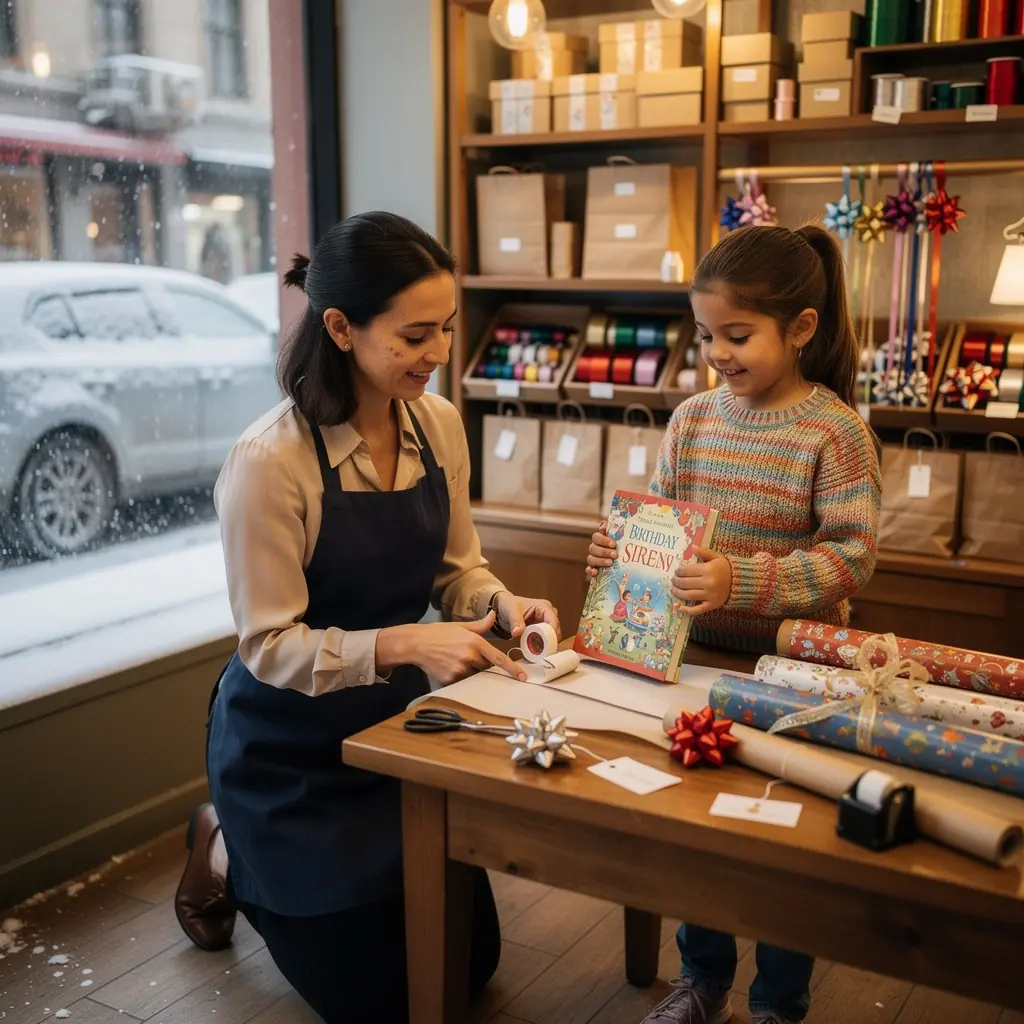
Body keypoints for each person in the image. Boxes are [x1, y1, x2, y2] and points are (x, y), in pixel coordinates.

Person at [174, 211, 560, 1023]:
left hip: (390, 736)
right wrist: (410, 642)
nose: (438, 351)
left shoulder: (438, 424)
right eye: (415, 335)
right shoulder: (269, 463)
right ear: (341, 328)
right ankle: (224, 841)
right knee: (378, 1001)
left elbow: (459, 570)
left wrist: (499, 602)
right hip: (285, 747)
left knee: (470, 966)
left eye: (446, 328)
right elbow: (268, 646)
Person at [586, 224, 881, 1024]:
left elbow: (853, 558)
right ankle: (702, 979)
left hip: (796, 676)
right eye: (705, 334)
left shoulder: (835, 432)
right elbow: (660, 525)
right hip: (694, 664)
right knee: (699, 829)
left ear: (802, 327)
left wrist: (741, 580)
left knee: (785, 839)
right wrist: (617, 553)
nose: (717, 352)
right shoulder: (691, 420)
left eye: (738, 335)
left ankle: (779, 1000)